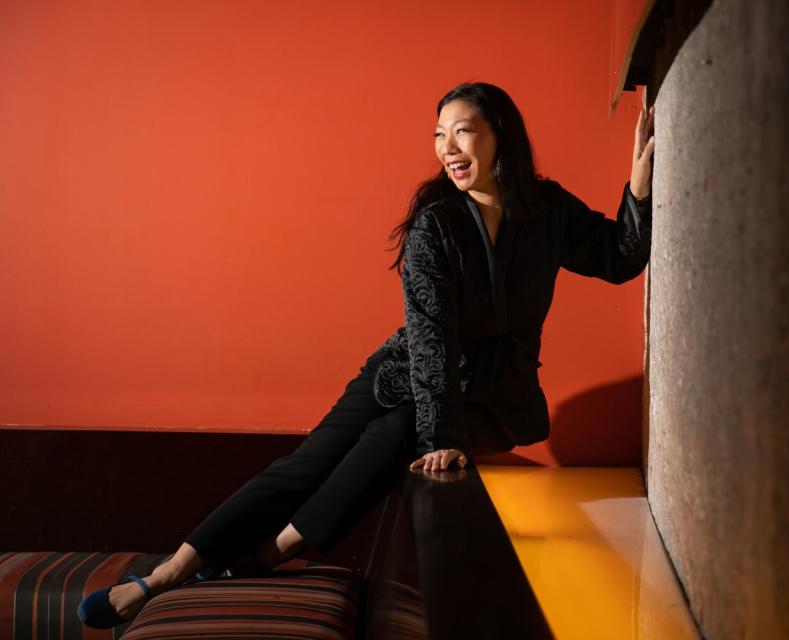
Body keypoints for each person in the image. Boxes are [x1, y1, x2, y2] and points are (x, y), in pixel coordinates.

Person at [77, 81, 655, 629]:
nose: (447, 149)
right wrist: (442, 440)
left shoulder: (546, 210)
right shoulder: (437, 225)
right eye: (438, 135)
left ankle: (275, 550)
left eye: (463, 132)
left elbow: (619, 257)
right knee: (304, 466)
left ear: (500, 134)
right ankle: (166, 573)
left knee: (400, 431)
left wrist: (637, 189)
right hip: (404, 372)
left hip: (495, 395)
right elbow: (431, 342)